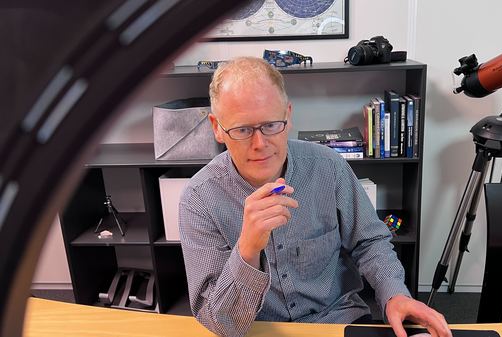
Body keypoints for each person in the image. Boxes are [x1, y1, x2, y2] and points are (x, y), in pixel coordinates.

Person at [179, 56, 451, 337]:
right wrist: (248, 251)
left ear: (288, 113)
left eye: (271, 125)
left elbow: (369, 242)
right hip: (256, 329)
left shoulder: (328, 167)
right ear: (216, 127)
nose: (260, 144)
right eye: (242, 130)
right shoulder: (199, 199)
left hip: (336, 319)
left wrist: (395, 295)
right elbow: (219, 322)